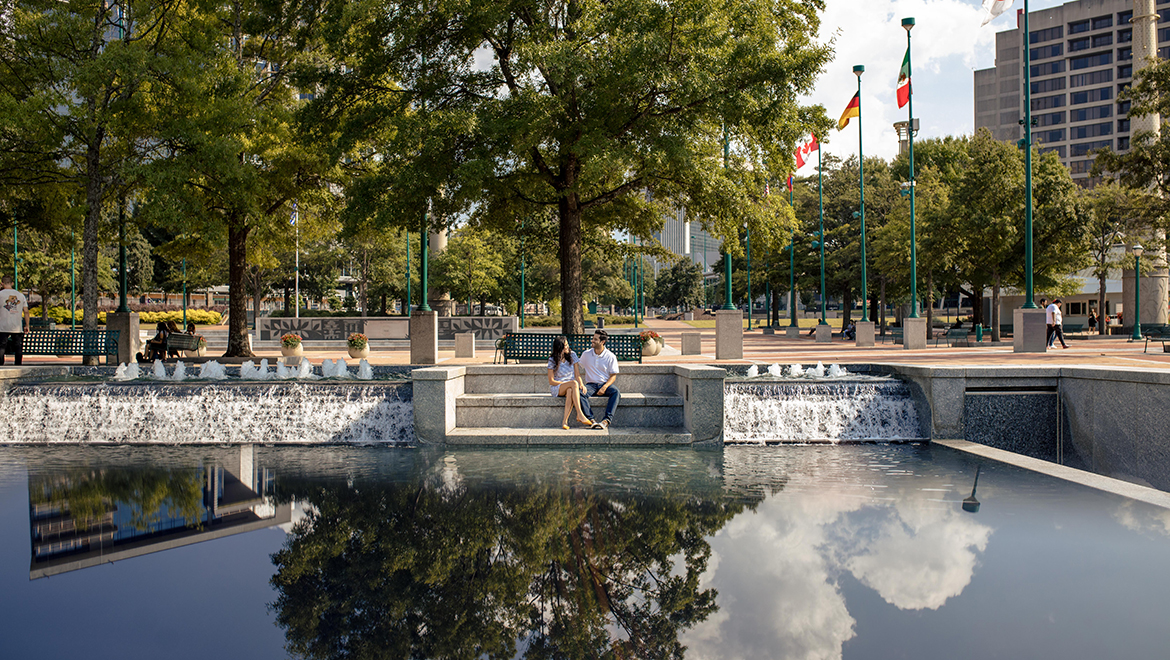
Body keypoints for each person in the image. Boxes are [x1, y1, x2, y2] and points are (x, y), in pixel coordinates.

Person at [547, 335, 594, 430]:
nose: (568, 346)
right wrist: (565, 384)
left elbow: (577, 375)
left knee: (570, 390)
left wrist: (581, 384)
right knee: (573, 384)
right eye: (565, 345)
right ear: (560, 347)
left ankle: (565, 421)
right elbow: (551, 381)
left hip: (572, 387)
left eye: (567, 344)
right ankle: (580, 414)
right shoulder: (552, 360)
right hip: (558, 387)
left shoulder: (573, 355)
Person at [578, 329, 621, 430]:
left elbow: (613, 376)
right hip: (590, 385)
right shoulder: (586, 354)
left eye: (595, 339)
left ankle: (606, 420)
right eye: (593, 338)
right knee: (579, 393)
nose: (592, 340)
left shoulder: (610, 356)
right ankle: (591, 420)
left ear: (602, 342)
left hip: (605, 384)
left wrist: (605, 387)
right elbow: (576, 369)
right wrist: (580, 384)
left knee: (616, 392)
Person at [0, 274, 29, 366]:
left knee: (1, 347)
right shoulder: (20, 295)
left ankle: (0, 365)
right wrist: (27, 325)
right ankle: (18, 364)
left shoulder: (0, 294)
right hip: (17, 326)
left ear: (2, 283)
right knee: (17, 346)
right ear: (12, 283)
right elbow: (26, 312)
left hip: (3, 326)